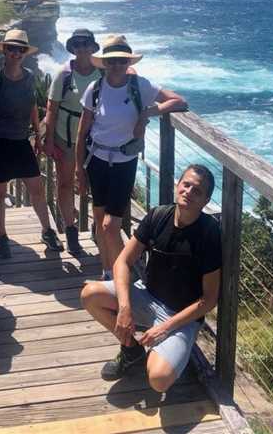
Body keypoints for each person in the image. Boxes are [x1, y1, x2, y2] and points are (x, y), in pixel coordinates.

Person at [80, 165, 222, 392]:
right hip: (147, 295)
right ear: (178, 186)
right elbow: (122, 262)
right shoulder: (158, 215)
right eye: (186, 185)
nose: (189, 192)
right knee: (90, 295)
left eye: (197, 191)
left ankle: (167, 354)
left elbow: (209, 299)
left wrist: (164, 328)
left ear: (205, 201)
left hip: (180, 316)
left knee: (158, 380)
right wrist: (125, 308)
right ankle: (131, 351)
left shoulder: (209, 233)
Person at [75, 34, 187, 280]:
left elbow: (179, 101)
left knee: (109, 225)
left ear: (128, 63)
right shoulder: (94, 89)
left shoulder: (140, 86)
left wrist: (148, 112)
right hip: (96, 160)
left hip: (124, 163)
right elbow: (82, 132)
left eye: (122, 61)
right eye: (112, 60)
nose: (116, 65)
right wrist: (79, 171)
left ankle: (121, 276)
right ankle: (107, 272)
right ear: (105, 63)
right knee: (99, 220)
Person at [0, 29, 63, 258]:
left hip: (21, 141)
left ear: (25, 53)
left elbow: (32, 104)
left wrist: (37, 136)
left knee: (37, 189)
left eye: (20, 49)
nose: (16, 53)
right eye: (12, 48)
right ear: (5, 51)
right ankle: (2, 236)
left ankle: (47, 231)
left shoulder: (30, 76)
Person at [43, 28, 102, 255]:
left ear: (93, 47)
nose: (82, 48)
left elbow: (127, 74)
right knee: (65, 183)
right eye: (77, 44)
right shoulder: (64, 74)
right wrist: (48, 140)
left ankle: (97, 227)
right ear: (73, 48)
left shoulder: (103, 72)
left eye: (86, 43)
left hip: (94, 137)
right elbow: (51, 108)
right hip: (66, 136)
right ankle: (70, 230)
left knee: (96, 184)